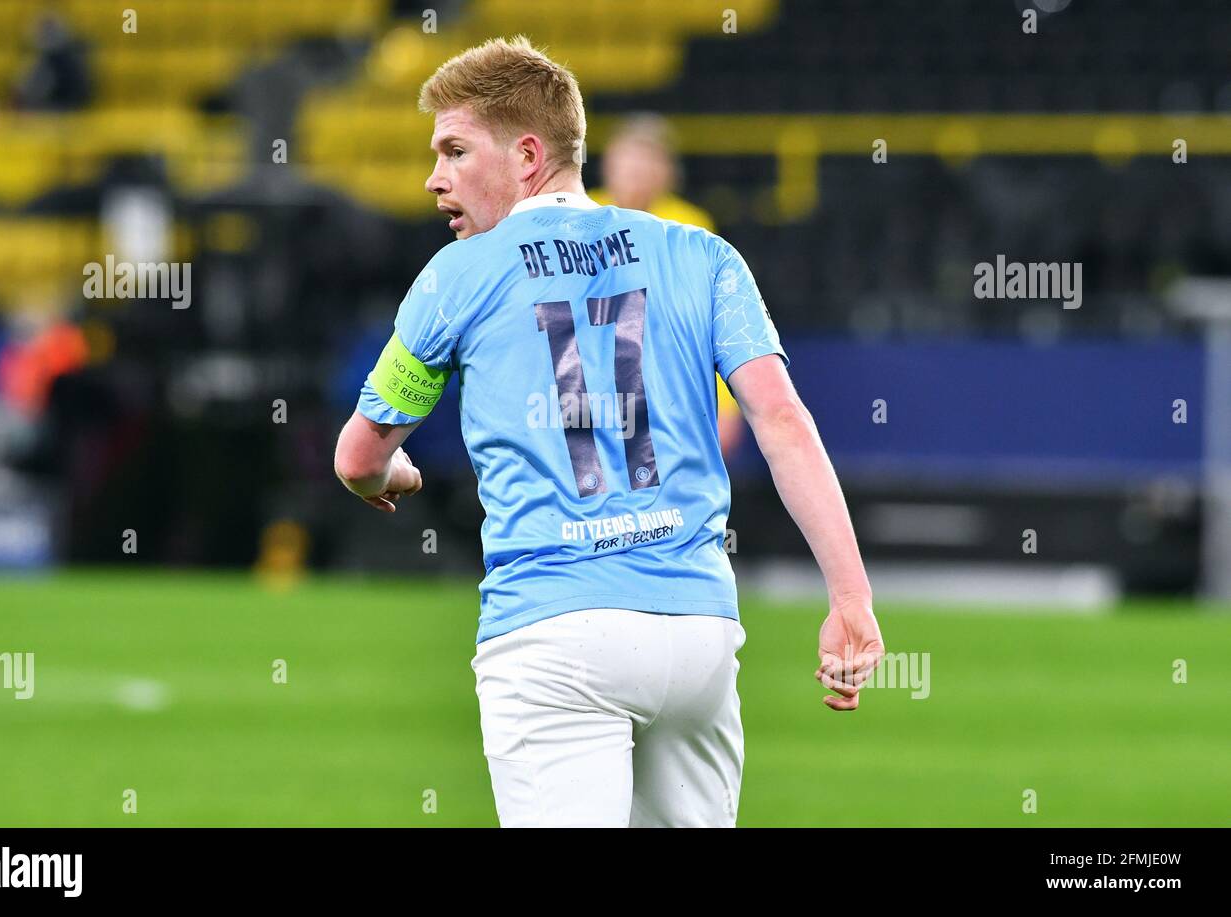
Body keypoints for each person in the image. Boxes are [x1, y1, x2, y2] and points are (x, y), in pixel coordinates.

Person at [334, 36, 883, 827]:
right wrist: (850, 594)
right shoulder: (704, 255)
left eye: (455, 151)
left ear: (527, 154)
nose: (434, 177)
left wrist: (391, 476)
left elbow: (357, 456)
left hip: (554, 634)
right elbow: (782, 418)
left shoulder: (456, 276)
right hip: (696, 632)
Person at [591, 115, 746, 458]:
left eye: (649, 159)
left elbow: (705, 323)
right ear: (609, 164)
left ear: (668, 171)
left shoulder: (689, 227)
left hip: (667, 393)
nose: (637, 169)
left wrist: (727, 406)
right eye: (628, 158)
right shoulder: (578, 218)